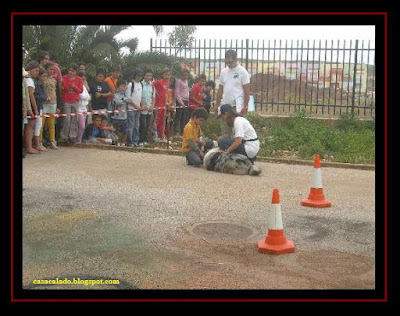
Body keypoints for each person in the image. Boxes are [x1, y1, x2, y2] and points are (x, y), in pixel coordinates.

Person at [213, 50, 250, 138]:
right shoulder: (223, 72)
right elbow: (220, 90)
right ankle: (227, 150)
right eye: (227, 62)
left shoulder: (243, 72)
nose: (228, 64)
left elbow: (247, 91)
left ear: (236, 59)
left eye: (230, 62)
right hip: (225, 106)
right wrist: (216, 105)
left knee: (238, 132)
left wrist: (245, 106)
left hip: (237, 107)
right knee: (226, 131)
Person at [58, 63, 84, 144]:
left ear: (76, 72)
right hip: (67, 100)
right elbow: (64, 87)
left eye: (73, 71)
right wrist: (69, 85)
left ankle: (72, 136)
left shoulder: (79, 79)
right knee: (67, 119)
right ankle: (64, 136)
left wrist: (74, 87)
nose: (71, 72)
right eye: (69, 70)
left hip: (75, 101)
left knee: (74, 119)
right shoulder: (64, 78)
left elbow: (80, 90)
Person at [125, 69, 144, 147]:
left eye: (141, 76)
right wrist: (136, 106)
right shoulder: (131, 85)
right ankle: (130, 141)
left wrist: (141, 105)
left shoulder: (141, 84)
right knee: (131, 125)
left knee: (137, 125)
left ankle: (135, 141)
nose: (139, 77)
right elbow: (128, 98)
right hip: (131, 108)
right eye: (138, 75)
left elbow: (141, 97)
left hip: (138, 108)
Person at [153, 69, 171, 142]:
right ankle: (155, 135)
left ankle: (161, 135)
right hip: (158, 104)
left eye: (169, 75)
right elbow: (152, 86)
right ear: (162, 75)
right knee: (157, 120)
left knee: (163, 121)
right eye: (166, 74)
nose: (167, 76)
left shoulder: (167, 83)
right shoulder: (159, 82)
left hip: (164, 104)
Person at [139, 70, 155, 146]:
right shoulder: (140, 84)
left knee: (147, 125)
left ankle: (145, 139)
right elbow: (140, 96)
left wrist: (152, 106)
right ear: (144, 76)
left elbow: (153, 97)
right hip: (143, 109)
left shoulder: (152, 85)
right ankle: (140, 140)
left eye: (150, 76)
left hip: (149, 109)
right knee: (142, 125)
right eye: (147, 75)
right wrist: (142, 105)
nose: (149, 77)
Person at [111, 80, 129, 146]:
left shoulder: (126, 94)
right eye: (121, 86)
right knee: (117, 131)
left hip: (124, 116)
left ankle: (123, 143)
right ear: (118, 87)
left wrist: (124, 100)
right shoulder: (115, 95)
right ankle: (117, 143)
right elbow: (118, 102)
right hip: (116, 117)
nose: (123, 88)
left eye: (124, 86)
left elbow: (128, 100)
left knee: (125, 131)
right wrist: (125, 100)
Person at [173, 69, 190, 136]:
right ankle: (176, 131)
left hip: (186, 100)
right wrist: (181, 103)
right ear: (181, 75)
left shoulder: (186, 81)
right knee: (178, 116)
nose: (185, 76)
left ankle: (183, 131)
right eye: (184, 75)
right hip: (180, 100)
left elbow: (187, 91)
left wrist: (187, 101)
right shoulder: (178, 81)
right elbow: (177, 93)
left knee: (184, 117)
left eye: (187, 75)